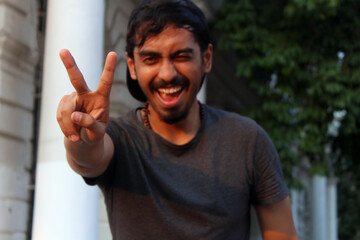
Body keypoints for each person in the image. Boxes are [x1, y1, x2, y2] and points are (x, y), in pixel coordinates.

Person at [56, 0, 299, 239]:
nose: (167, 74)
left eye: (181, 56)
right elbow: (88, 159)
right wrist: (82, 140)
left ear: (206, 58)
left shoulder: (247, 140)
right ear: (132, 66)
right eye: (151, 59)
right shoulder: (121, 140)